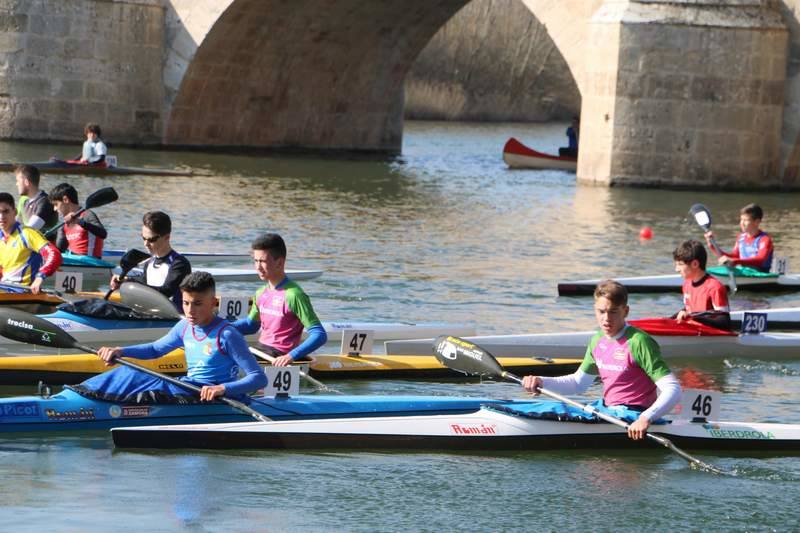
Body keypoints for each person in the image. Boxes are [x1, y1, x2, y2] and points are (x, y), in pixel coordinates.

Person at [522, 280, 682, 441]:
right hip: (607, 409)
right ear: (595, 310)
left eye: (613, 312)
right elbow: (578, 383)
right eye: (601, 311)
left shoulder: (639, 342)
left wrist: (646, 418)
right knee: (549, 407)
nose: (606, 319)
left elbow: (673, 388)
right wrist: (541, 382)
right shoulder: (597, 340)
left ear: (625, 311)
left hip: (634, 415)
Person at [90, 271, 267, 401]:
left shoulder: (227, 335)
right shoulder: (184, 326)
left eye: (198, 304)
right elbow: (155, 349)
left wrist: (222, 388)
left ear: (213, 303)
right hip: (187, 387)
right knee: (127, 371)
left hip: (212, 398)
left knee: (138, 378)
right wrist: (121, 351)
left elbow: (259, 378)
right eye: (186, 303)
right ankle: (83, 392)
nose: (190, 311)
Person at [232, 233, 327, 367]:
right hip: (261, 350)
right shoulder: (260, 293)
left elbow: (319, 334)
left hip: (280, 357)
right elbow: (251, 325)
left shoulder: (294, 295)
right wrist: (220, 326)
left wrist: (291, 356)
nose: (258, 267)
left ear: (279, 262)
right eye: (256, 261)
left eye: (263, 261)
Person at [108, 211, 190, 310]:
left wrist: (130, 281)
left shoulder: (179, 264)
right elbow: (145, 285)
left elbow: (165, 292)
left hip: (173, 320)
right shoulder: (149, 263)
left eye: (151, 240)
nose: (145, 244)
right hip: (152, 315)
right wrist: (123, 281)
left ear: (167, 237)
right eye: (143, 238)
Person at [0, 192, 62, 294]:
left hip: (23, 290)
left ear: (15, 212)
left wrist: (40, 276)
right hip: (5, 288)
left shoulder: (27, 234)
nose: (1, 216)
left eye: (5, 211)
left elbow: (54, 254)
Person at [673, 239, 731, 330]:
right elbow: (688, 310)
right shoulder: (687, 285)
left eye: (680, 264)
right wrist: (665, 320)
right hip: (696, 330)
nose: (677, 269)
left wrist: (693, 317)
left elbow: (725, 322)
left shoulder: (715, 287)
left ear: (695, 264)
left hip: (712, 336)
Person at [704, 203, 773, 273]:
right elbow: (734, 257)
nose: (741, 223)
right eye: (741, 219)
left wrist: (735, 261)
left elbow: (760, 260)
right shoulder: (741, 238)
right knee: (709, 271)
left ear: (757, 222)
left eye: (745, 220)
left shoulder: (764, 239)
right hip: (744, 272)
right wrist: (712, 246)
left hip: (760, 275)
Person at [48, 183, 107, 259]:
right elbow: (59, 250)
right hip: (74, 262)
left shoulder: (87, 215)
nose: (54, 209)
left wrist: (80, 222)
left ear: (65, 200)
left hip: (91, 263)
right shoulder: (63, 223)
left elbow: (103, 233)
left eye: (56, 204)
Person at [15, 165, 58, 233]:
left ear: (26, 182)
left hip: (46, 242)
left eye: (18, 181)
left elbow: (31, 229)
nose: (16, 184)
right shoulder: (25, 203)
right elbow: (14, 225)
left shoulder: (45, 202)